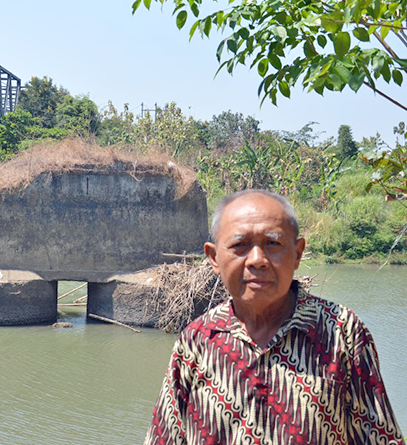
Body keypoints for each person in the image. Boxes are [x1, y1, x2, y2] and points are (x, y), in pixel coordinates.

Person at [144, 189, 403, 444]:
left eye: (273, 243)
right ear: (214, 257)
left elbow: (379, 438)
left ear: (298, 253)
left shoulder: (342, 333)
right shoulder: (196, 340)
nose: (258, 260)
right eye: (240, 245)